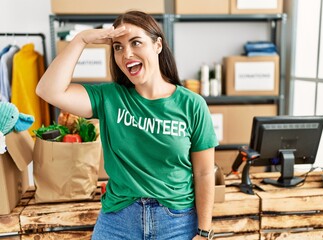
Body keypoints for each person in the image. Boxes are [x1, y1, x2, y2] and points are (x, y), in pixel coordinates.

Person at [36, 11, 218, 240]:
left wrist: (203, 232)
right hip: (118, 220)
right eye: (118, 47)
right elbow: (47, 90)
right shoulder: (109, 97)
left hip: (176, 221)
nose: (126, 54)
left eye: (136, 43)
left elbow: (203, 173)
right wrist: (81, 39)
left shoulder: (192, 105)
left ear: (158, 45)